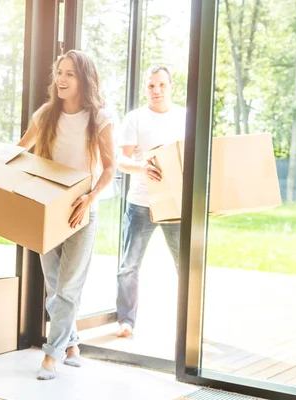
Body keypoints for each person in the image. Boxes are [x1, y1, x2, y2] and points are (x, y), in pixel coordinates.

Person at [18, 50, 115, 380]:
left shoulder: (99, 118)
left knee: (69, 288)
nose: (61, 78)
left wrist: (89, 199)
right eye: (59, 72)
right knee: (56, 287)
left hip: (81, 212)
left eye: (70, 74)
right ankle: (71, 343)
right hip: (47, 209)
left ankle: (52, 356)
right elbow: (20, 151)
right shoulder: (46, 115)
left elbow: (111, 167)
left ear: (83, 79)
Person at [115, 65, 186, 338]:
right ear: (145, 88)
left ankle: (189, 321)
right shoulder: (135, 118)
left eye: (161, 85)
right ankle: (126, 321)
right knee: (129, 265)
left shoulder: (185, 117)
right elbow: (121, 160)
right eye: (151, 86)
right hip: (141, 203)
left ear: (171, 87)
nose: (156, 90)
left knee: (185, 265)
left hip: (175, 204)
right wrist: (142, 166)